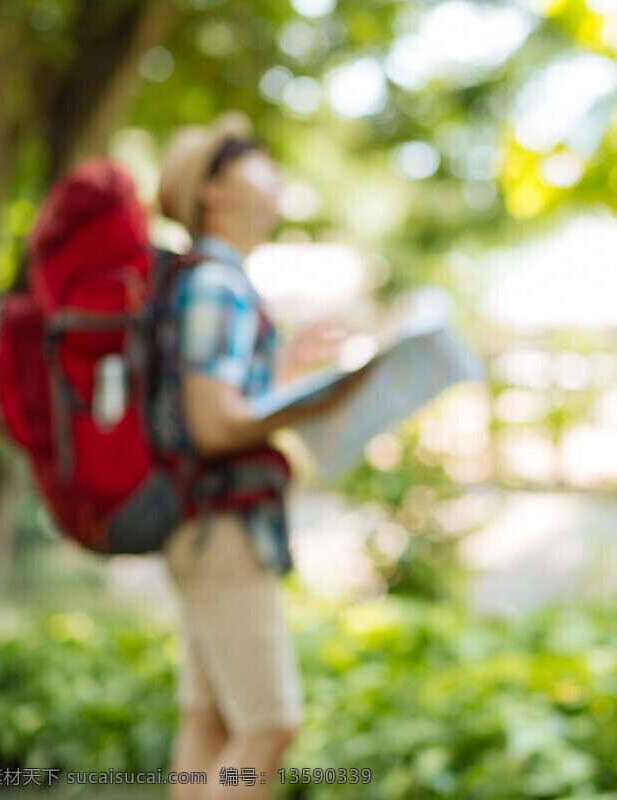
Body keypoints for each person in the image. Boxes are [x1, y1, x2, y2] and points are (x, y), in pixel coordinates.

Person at [154, 112, 357, 800]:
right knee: (269, 727)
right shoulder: (217, 282)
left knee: (209, 720)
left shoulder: (213, 279)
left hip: (201, 523)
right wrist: (313, 398)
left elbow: (218, 404)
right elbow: (214, 426)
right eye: (257, 163)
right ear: (213, 189)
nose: (275, 175)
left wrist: (291, 372)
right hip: (223, 531)